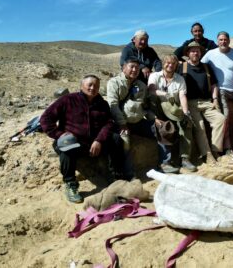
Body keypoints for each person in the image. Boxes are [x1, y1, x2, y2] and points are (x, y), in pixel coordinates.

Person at [40, 75, 128, 203]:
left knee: (116, 139)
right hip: (75, 143)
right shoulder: (68, 100)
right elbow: (46, 118)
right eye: (90, 85)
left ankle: (116, 177)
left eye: (96, 86)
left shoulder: (102, 104)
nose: (93, 88)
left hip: (94, 143)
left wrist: (99, 140)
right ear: (82, 86)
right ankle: (71, 184)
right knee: (67, 144)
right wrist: (58, 134)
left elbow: (108, 123)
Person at [107, 57, 176, 173]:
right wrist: (122, 124)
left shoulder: (141, 85)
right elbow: (113, 105)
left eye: (137, 68)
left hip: (138, 122)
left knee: (161, 129)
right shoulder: (114, 83)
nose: (134, 70)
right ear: (124, 68)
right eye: (132, 67)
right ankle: (127, 173)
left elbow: (144, 107)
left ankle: (165, 163)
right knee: (125, 141)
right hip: (121, 123)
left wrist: (154, 119)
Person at [178, 41, 225, 164]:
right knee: (200, 126)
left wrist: (215, 99)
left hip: (207, 102)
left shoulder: (206, 67)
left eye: (197, 51)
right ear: (188, 53)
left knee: (220, 119)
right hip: (190, 103)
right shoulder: (181, 67)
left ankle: (216, 150)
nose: (195, 53)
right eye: (192, 51)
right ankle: (207, 154)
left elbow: (214, 84)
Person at [148, 54, 196, 172]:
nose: (170, 65)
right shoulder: (154, 76)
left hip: (174, 110)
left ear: (176, 66)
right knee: (163, 128)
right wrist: (165, 94)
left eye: (173, 64)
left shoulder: (179, 79)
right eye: (168, 63)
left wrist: (186, 113)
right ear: (163, 63)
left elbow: (182, 96)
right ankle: (165, 163)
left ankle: (185, 158)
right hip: (157, 109)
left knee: (186, 125)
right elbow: (151, 89)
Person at [201, 31, 233, 153]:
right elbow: (199, 67)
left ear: (229, 40)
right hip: (220, 90)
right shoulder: (210, 54)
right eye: (220, 40)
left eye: (225, 39)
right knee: (224, 118)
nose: (223, 42)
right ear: (217, 41)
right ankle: (226, 148)